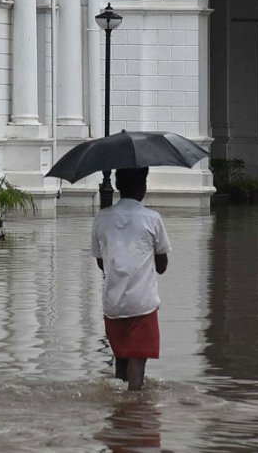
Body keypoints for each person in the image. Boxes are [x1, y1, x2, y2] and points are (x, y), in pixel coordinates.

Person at [91, 167, 170, 390]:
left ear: (117, 186)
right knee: (138, 360)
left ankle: (119, 416)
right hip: (142, 303)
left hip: (113, 303)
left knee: (121, 358)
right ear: (143, 187)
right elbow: (162, 266)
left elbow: (100, 262)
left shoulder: (102, 218)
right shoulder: (152, 219)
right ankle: (133, 411)